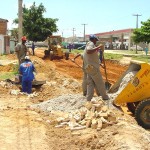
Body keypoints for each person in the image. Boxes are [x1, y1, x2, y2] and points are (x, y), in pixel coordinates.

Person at [83, 34, 109, 101]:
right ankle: (105, 97)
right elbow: (89, 51)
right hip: (93, 68)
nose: (96, 42)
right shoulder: (91, 44)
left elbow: (92, 57)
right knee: (100, 83)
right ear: (93, 39)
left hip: (88, 68)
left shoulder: (88, 45)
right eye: (95, 40)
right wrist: (98, 47)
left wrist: (99, 50)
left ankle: (88, 99)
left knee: (90, 84)